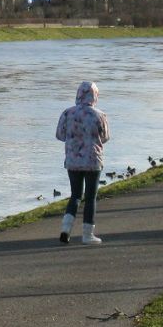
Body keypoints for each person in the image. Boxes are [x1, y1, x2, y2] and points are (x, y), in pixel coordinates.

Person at [56, 81, 111, 245]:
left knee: (75, 195)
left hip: (73, 160)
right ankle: (87, 235)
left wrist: (73, 139)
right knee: (90, 197)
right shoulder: (100, 115)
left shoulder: (67, 113)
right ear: (94, 96)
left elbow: (60, 135)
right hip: (93, 160)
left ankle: (66, 229)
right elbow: (105, 137)